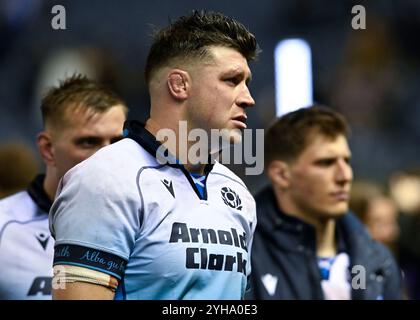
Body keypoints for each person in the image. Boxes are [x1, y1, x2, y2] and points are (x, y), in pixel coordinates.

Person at [50, 10, 258, 300]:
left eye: (247, 82)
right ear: (179, 85)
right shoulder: (104, 180)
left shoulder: (238, 194)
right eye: (232, 80)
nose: (248, 98)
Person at [246, 106, 402, 300]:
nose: (345, 176)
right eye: (326, 163)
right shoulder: (244, 256)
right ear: (281, 175)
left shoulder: (377, 260)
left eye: (346, 161)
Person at [0, 74, 127, 299]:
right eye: (89, 142)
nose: (109, 156)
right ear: (48, 149)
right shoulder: (4, 228)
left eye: (117, 143)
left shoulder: (152, 223)